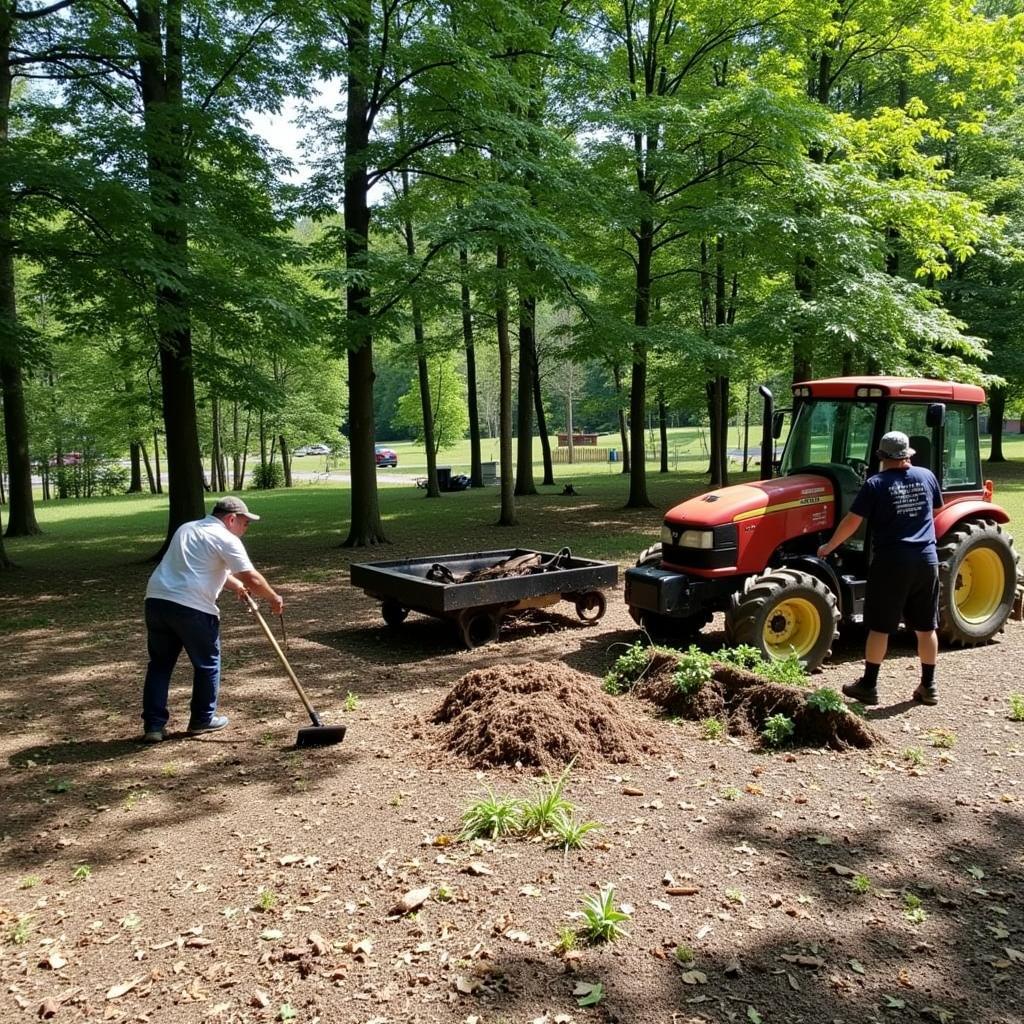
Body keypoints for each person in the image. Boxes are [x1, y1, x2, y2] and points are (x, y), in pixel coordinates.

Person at [817, 430, 944, 706]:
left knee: (880, 627)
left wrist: (829, 547)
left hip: (892, 562)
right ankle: (929, 686)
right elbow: (933, 512)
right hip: (926, 560)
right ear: (908, 454)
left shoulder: (876, 484)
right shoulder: (927, 476)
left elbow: (852, 521)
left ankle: (869, 686)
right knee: (926, 627)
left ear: (882, 457)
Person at [141, 496, 284, 742]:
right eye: (244, 523)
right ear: (230, 519)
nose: (245, 529)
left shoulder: (187, 528)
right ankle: (202, 719)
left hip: (157, 601)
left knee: (160, 665)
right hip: (192, 607)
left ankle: (153, 726)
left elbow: (201, 567)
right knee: (207, 662)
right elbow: (252, 577)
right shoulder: (226, 538)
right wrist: (273, 598)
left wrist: (236, 586)